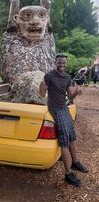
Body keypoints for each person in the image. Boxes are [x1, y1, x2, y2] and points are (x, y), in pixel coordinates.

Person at [39, 53, 88, 187]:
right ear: (56, 62)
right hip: (55, 109)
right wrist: (42, 86)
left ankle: (75, 162)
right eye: (59, 62)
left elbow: (70, 96)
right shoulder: (49, 75)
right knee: (64, 141)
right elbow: (42, 94)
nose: (62, 64)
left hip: (64, 108)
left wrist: (76, 93)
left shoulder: (67, 77)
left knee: (71, 136)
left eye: (64, 63)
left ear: (66, 64)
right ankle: (67, 173)